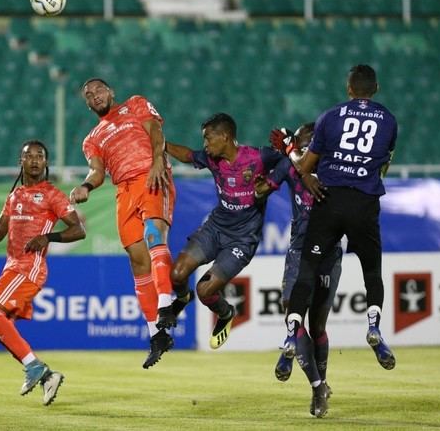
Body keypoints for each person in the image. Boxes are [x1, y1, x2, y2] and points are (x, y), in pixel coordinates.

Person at [283, 65, 398, 407]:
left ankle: (291, 331)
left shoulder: (330, 117)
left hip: (329, 200)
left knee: (307, 267)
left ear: (349, 87)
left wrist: (292, 150)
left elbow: (304, 167)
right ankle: (374, 327)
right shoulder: (389, 121)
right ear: (375, 87)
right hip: (364, 203)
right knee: (372, 271)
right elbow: (383, 167)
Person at [0, 140, 85, 406]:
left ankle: (33, 367)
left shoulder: (52, 194)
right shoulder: (14, 196)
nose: (35, 160)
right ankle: (46, 376)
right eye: (30, 156)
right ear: (21, 161)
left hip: (29, 268)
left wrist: (47, 237)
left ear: (46, 163)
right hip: (12, 268)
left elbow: (79, 230)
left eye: (40, 156)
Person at [159, 113, 290, 349]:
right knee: (177, 274)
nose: (205, 144)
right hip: (215, 228)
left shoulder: (257, 157)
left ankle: (226, 313)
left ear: (225, 137)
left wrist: (271, 184)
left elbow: (287, 160)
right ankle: (181, 297)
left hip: (242, 240)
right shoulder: (212, 159)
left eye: (209, 138)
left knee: (205, 289)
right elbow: (188, 155)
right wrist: (162, 144)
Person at [69, 78, 176, 369]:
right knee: (137, 259)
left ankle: (167, 303)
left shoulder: (135, 105)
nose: (94, 96)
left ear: (110, 92)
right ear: (88, 103)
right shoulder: (92, 138)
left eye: (98, 90)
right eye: (88, 95)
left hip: (150, 175)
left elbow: (156, 130)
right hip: (124, 190)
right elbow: (97, 171)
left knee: (155, 234)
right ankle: (156, 334)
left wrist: (157, 161)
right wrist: (86, 187)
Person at [265, 122, 342, 418]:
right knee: (291, 315)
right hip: (299, 251)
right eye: (301, 142)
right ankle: (317, 386)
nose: (305, 147)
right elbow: (268, 182)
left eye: (310, 142)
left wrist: (290, 147)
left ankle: (317, 382)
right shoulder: (292, 165)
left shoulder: (334, 171)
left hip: (329, 254)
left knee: (318, 325)